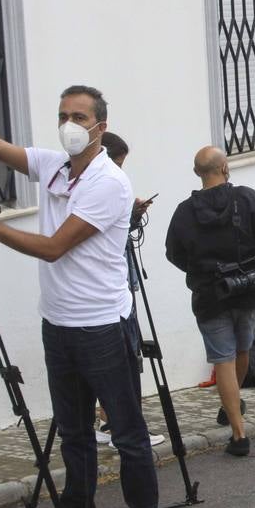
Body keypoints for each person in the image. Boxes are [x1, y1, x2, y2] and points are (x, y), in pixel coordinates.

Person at [0, 85, 161, 508]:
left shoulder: (108, 183)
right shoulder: (55, 165)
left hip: (102, 326)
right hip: (57, 324)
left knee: (126, 431)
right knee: (73, 431)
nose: (70, 125)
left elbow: (54, 247)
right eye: (63, 115)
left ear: (100, 126)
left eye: (79, 117)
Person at [165, 147, 255, 457]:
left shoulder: (183, 212)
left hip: (210, 295)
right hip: (249, 288)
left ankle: (238, 431)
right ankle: (233, 411)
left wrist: (204, 270)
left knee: (223, 358)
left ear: (197, 173)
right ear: (226, 168)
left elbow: (174, 254)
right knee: (241, 350)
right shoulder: (247, 198)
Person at [94, 131, 165, 448]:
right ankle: (121, 426)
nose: (120, 173)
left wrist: (131, 218)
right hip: (112, 291)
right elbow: (104, 238)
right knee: (123, 358)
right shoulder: (100, 190)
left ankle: (110, 421)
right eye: (118, 164)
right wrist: (128, 218)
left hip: (118, 284)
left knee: (121, 357)